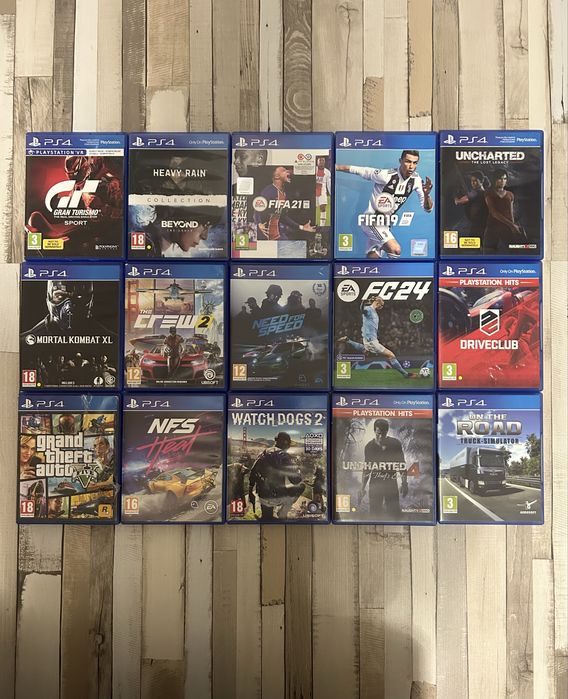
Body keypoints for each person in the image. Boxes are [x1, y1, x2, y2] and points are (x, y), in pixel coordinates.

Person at [337, 149, 433, 258]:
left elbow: (428, 209)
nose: (411, 166)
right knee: (395, 250)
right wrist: (334, 167)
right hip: (371, 220)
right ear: (400, 161)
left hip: (385, 224)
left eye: (415, 163)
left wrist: (427, 195)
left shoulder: (416, 180)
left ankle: (369, 269)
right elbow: (358, 170)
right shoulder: (385, 175)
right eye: (408, 161)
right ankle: (394, 270)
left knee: (373, 257)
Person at [338, 296, 417, 379]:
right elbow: (362, 310)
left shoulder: (374, 312)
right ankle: (405, 374)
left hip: (370, 339)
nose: (382, 307)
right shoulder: (368, 309)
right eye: (381, 305)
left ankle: (348, 340)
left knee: (365, 350)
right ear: (377, 303)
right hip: (371, 340)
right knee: (391, 355)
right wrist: (363, 302)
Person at [248, 432, 305, 520]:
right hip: (278, 496)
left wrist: (250, 491)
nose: (289, 446)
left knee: (267, 519)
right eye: (289, 444)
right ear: (285, 443)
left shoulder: (263, 453)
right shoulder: (285, 456)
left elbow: (253, 472)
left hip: (263, 496)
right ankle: (282, 513)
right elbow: (295, 480)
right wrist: (298, 470)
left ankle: (266, 517)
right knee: (301, 486)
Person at [360, 419, 408, 518]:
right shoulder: (369, 447)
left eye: (383, 433)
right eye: (378, 433)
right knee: (375, 514)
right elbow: (367, 469)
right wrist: (362, 488)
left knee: (394, 514)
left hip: (391, 485)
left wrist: (404, 484)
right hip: (375, 486)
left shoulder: (395, 444)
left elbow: (401, 465)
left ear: (387, 431)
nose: (381, 436)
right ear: (374, 431)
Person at [254, 166, 316, 241]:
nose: (288, 171)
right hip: (265, 237)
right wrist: (259, 223)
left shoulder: (283, 194)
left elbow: (282, 216)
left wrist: (302, 227)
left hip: (277, 236)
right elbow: (257, 210)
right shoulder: (269, 191)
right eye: (284, 170)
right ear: (277, 176)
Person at [483, 169, 525, 253]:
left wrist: (513, 226)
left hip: (507, 228)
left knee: (514, 252)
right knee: (488, 253)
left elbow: (511, 212)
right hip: (492, 227)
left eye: (505, 179)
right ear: (495, 179)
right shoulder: (489, 193)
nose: (502, 181)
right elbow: (494, 212)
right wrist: (512, 225)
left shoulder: (510, 194)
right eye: (500, 178)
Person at [315, 156, 332, 227]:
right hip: (313, 191)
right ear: (317, 161)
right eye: (320, 160)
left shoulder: (327, 172)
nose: (321, 162)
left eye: (323, 160)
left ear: (324, 162)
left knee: (323, 207)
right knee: (312, 207)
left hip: (322, 191)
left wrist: (331, 194)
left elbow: (329, 184)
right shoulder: (314, 170)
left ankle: (322, 226)